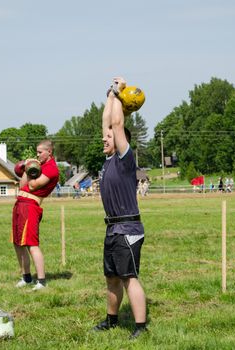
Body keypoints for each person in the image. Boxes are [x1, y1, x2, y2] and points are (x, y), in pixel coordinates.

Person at [92, 77, 147, 340]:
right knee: (112, 278)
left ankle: (140, 326)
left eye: (109, 137)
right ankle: (111, 320)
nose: (104, 138)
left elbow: (116, 124)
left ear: (121, 140)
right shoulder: (109, 159)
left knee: (129, 277)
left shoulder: (125, 159)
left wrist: (119, 90)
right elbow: (107, 122)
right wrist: (111, 97)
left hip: (128, 227)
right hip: (113, 228)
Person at [12, 140, 59, 291]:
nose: (37, 155)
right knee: (18, 243)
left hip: (31, 207)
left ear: (49, 152)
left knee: (32, 244)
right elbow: (22, 186)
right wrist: (27, 168)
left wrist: (29, 168)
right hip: (20, 204)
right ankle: (26, 278)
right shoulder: (39, 166)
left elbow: (32, 186)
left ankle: (42, 281)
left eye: (40, 152)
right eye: (37, 152)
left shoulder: (51, 168)